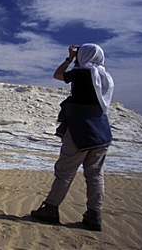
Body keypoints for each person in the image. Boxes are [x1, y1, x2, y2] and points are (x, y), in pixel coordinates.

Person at [31, 44, 114, 232]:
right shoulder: (104, 77)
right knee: (95, 175)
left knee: (65, 171)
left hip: (79, 130)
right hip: (101, 132)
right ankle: (94, 215)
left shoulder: (82, 74)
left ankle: (51, 208)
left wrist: (69, 58)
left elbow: (58, 75)